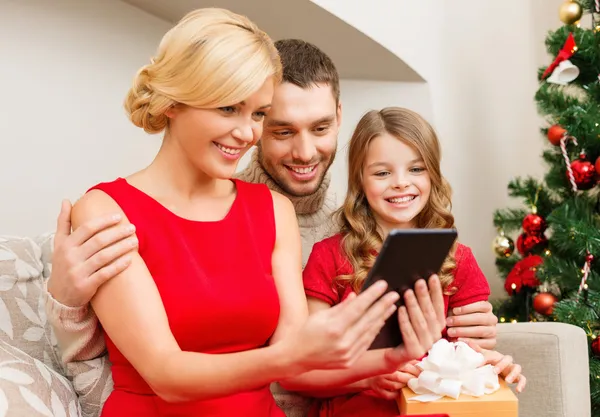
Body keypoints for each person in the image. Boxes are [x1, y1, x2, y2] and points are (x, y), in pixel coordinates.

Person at [44, 37, 497, 415]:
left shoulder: (313, 219)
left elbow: (310, 354)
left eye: (257, 115)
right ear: (172, 104)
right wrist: (65, 302)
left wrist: (451, 347)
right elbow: (153, 370)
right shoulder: (110, 209)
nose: (247, 133)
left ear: (340, 115)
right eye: (278, 128)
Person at [295, 107, 527, 416]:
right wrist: (367, 376)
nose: (401, 183)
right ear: (360, 180)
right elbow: (304, 372)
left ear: (433, 173)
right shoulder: (330, 256)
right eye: (382, 173)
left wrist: (492, 364)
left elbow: (470, 355)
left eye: (416, 169)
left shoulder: (458, 260)